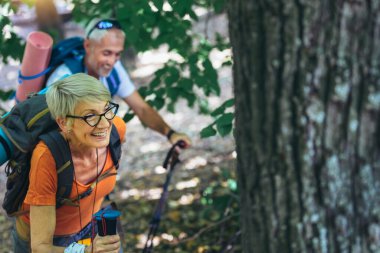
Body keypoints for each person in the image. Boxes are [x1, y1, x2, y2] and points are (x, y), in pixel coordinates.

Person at [13, 73, 125, 252]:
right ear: (64, 123)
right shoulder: (47, 157)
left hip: (92, 227)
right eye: (90, 116)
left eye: (107, 109)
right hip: (50, 241)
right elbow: (40, 247)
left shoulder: (115, 130)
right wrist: (87, 251)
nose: (104, 124)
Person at [46, 18, 191, 148]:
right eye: (106, 53)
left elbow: (141, 108)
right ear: (88, 46)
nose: (112, 61)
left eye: (117, 54)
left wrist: (170, 133)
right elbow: (57, 129)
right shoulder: (63, 77)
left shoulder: (114, 70)